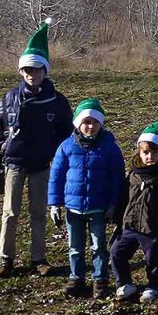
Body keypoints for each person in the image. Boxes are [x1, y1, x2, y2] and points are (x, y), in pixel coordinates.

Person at [0, 19, 72, 279]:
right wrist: (0, 143)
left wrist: (53, 153)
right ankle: (5, 258)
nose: (31, 75)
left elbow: (66, 131)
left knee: (38, 213)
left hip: (41, 164)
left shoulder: (57, 101)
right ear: (21, 71)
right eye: (26, 70)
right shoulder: (10, 97)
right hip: (13, 162)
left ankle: (39, 259)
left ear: (45, 71)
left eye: (35, 70)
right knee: (10, 213)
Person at [48, 99, 126, 299]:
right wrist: (54, 204)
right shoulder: (66, 147)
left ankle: (100, 279)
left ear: (101, 123)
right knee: (75, 247)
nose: (90, 126)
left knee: (98, 246)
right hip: (73, 208)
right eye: (86, 122)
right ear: (78, 124)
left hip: (98, 208)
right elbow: (56, 176)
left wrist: (113, 204)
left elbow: (117, 177)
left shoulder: (110, 148)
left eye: (94, 122)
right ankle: (76, 278)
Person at [111, 122, 158, 304]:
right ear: (139, 152)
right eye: (145, 152)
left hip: (153, 229)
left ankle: (154, 286)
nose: (149, 156)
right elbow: (124, 198)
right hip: (130, 225)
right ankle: (124, 284)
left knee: (154, 259)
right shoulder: (133, 174)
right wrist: (118, 221)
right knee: (116, 253)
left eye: (154, 152)